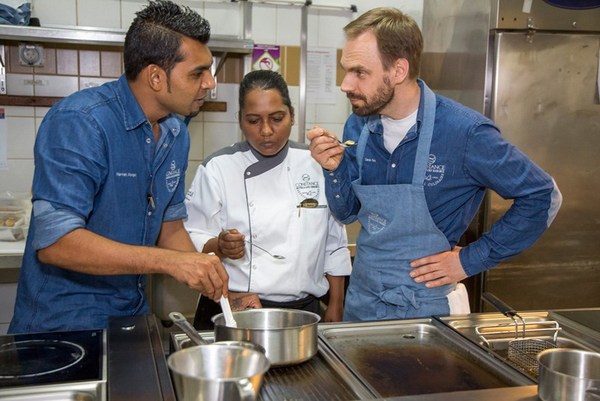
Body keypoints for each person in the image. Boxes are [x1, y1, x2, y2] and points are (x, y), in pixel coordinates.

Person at [307, 7, 562, 322]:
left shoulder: (464, 133)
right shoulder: (358, 127)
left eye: (359, 72)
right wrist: (334, 170)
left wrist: (469, 261)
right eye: (345, 70)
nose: (345, 84)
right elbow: (347, 212)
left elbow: (543, 195)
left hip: (427, 308)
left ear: (398, 70)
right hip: (363, 301)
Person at [8, 0, 230, 333]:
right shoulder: (81, 122)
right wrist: (171, 263)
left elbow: (169, 228)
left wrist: (222, 290)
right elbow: (56, 244)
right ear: (156, 77)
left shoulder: (174, 133)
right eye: (198, 73)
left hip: (130, 319)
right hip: (61, 328)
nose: (210, 84)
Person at [185, 70, 352, 328]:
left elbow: (335, 242)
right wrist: (219, 245)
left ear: (292, 116)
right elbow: (189, 238)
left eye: (277, 118)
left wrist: (336, 304)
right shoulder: (218, 168)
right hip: (232, 308)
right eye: (253, 120)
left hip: (301, 313)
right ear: (239, 120)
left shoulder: (316, 165)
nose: (266, 131)